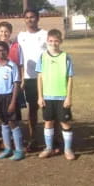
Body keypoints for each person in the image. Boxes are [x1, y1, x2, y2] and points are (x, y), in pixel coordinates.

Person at [37, 29, 75, 160]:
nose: (53, 43)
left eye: (56, 41)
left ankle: (68, 149)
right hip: (47, 97)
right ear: (47, 41)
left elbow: (70, 78)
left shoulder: (66, 57)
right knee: (48, 122)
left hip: (62, 97)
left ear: (61, 42)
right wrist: (40, 96)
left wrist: (69, 97)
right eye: (51, 41)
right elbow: (40, 78)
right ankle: (48, 148)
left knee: (65, 123)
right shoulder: (42, 57)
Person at [17, 9, 47, 152]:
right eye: (27, 18)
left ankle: (54, 139)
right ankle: (33, 139)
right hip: (29, 79)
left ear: (38, 18)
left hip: (45, 78)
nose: (30, 20)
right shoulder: (21, 36)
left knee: (49, 110)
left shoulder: (45, 34)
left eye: (32, 17)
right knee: (32, 111)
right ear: (24, 20)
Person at [0, 41, 24, 161]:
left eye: (4, 50)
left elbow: (16, 84)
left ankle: (20, 150)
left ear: (8, 51)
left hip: (9, 97)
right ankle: (7, 148)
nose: (1, 53)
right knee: (3, 123)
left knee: (13, 123)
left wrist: (13, 102)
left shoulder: (12, 66)